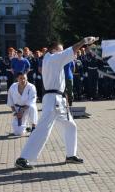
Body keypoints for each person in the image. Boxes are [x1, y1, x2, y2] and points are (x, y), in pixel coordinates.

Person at [15, 36, 98, 170]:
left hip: (58, 99)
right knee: (43, 130)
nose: (62, 52)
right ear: (54, 50)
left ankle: (71, 155)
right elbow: (71, 50)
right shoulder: (53, 58)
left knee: (71, 126)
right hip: (53, 100)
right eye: (60, 50)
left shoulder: (51, 59)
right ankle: (23, 158)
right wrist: (83, 42)